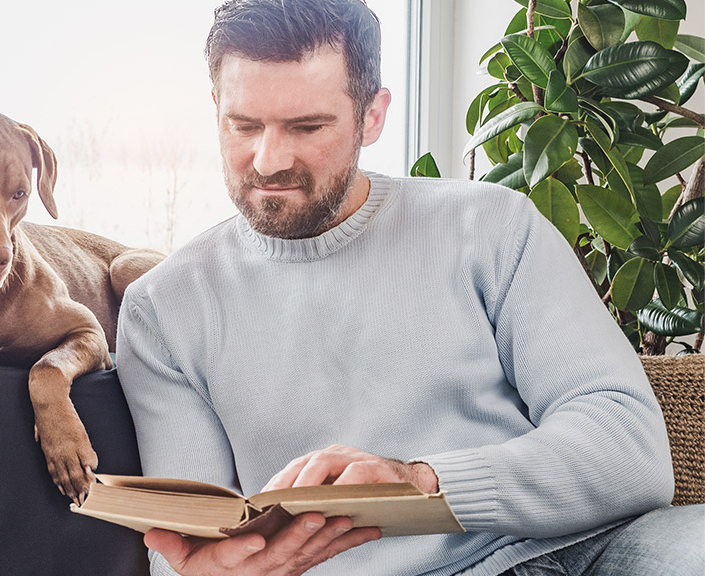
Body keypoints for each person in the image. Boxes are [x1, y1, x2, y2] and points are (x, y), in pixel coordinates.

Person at [115, 0, 705, 575]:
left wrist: (421, 483)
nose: (268, 161)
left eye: (307, 126)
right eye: (243, 125)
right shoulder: (163, 311)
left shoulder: (494, 225)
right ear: (216, 106)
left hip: (595, 550)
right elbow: (186, 548)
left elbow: (631, 451)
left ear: (373, 115)